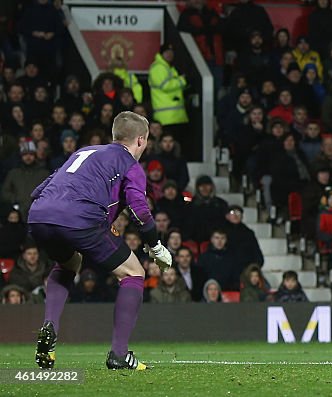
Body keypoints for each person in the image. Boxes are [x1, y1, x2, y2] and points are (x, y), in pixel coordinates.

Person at [28, 111, 172, 370]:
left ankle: (49, 326)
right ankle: (119, 354)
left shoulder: (85, 152)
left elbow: (39, 189)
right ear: (140, 140)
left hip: (39, 215)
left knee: (69, 262)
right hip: (80, 217)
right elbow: (139, 209)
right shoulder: (130, 165)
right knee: (133, 273)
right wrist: (155, 245)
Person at [148, 44, 189, 128]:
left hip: (176, 116)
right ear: (161, 54)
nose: (170, 54)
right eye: (167, 52)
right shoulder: (158, 67)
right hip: (165, 117)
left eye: (171, 52)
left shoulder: (169, 67)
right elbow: (164, 86)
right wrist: (181, 80)